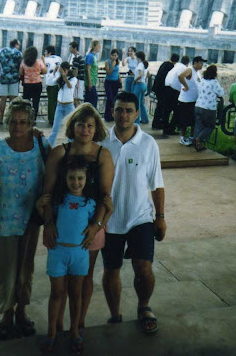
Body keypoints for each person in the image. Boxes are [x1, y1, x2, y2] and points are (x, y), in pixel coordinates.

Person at [41, 103, 114, 334]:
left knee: (84, 276)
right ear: (72, 127)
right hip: (63, 226)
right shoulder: (59, 152)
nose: (85, 130)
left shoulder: (103, 155)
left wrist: (97, 226)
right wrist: (48, 223)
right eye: (80, 125)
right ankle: (58, 326)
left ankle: (78, 323)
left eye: (90, 126)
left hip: (92, 225)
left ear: (96, 129)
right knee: (60, 281)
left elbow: (105, 196)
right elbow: (47, 194)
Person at [101, 91, 166, 335]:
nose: (124, 115)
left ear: (137, 113)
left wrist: (160, 217)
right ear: (112, 111)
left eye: (129, 110)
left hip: (141, 217)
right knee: (111, 270)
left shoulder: (148, 143)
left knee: (144, 268)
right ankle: (115, 313)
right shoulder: (102, 142)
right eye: (119, 110)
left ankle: (144, 306)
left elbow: (157, 183)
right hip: (110, 220)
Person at [0, 98, 50, 341]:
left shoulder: (41, 145)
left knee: (25, 269)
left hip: (31, 220)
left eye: (23, 122)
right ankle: (7, 314)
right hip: (4, 220)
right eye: (13, 121)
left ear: (31, 123)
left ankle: (22, 310)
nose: (17, 126)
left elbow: (53, 177)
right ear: (7, 122)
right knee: (7, 270)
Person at [38, 156, 113, 354]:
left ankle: (74, 331)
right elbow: (48, 219)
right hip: (58, 252)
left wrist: (109, 212)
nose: (76, 182)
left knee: (76, 294)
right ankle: (52, 333)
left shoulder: (89, 203)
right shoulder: (59, 201)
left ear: (87, 179)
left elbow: (96, 226)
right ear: (65, 178)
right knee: (56, 294)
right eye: (72, 178)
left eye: (80, 178)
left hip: (79, 254)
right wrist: (40, 206)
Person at [193, 65, 224, 151]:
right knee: (210, 126)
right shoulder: (214, 82)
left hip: (198, 105)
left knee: (199, 125)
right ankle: (199, 139)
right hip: (209, 108)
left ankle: (198, 143)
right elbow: (221, 93)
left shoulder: (202, 80)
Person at [0, 39, 22, 124]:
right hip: (14, 79)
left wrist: (1, 70)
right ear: (16, 44)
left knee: (3, 99)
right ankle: (11, 118)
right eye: (18, 45)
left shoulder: (1, 51)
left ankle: (1, 118)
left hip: (3, 78)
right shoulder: (18, 53)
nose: (19, 46)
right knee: (12, 100)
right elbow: (21, 66)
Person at [48, 62, 77, 146]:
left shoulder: (73, 79)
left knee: (71, 128)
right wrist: (54, 72)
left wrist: (64, 76)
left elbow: (70, 86)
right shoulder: (60, 78)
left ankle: (70, 146)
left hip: (69, 105)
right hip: (60, 105)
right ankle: (50, 146)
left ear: (67, 70)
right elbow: (51, 82)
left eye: (64, 70)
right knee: (55, 128)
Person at [163, 56, 192, 135]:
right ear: (188, 63)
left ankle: (165, 128)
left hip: (167, 87)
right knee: (177, 110)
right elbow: (182, 78)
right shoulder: (184, 69)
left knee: (167, 110)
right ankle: (171, 128)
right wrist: (186, 86)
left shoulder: (176, 66)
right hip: (174, 90)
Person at [176, 56, 202, 146]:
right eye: (201, 63)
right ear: (195, 63)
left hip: (194, 101)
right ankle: (182, 138)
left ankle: (191, 137)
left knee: (193, 120)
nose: (202, 65)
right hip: (186, 100)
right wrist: (186, 86)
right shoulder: (190, 70)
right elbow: (180, 76)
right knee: (184, 121)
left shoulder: (198, 73)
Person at [151, 53, 179, 130]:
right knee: (161, 106)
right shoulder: (171, 67)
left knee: (160, 106)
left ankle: (156, 122)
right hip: (162, 89)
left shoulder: (164, 64)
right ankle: (157, 123)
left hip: (157, 87)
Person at [19, 46, 47, 120]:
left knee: (26, 103)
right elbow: (45, 71)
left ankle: (26, 118)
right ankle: (33, 119)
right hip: (37, 84)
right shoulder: (39, 62)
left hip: (27, 85)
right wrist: (44, 61)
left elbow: (20, 72)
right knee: (36, 103)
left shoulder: (23, 62)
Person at [42, 45, 62, 125]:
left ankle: (51, 119)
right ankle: (57, 118)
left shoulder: (46, 59)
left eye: (46, 52)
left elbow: (43, 70)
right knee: (57, 101)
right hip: (59, 82)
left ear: (49, 52)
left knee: (51, 101)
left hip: (50, 82)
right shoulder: (59, 58)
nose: (45, 53)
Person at [132, 51, 150, 124]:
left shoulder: (140, 65)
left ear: (138, 57)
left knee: (136, 103)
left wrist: (135, 80)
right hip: (144, 84)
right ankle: (145, 118)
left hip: (139, 84)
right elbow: (148, 74)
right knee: (142, 103)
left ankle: (136, 121)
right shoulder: (144, 65)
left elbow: (140, 74)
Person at [103, 49, 122, 121]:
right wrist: (112, 66)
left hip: (115, 82)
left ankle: (113, 116)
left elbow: (118, 71)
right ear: (110, 55)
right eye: (113, 55)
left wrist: (119, 78)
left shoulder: (118, 62)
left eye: (116, 55)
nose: (114, 57)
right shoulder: (107, 62)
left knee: (114, 99)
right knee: (109, 98)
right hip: (108, 82)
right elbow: (108, 73)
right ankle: (107, 116)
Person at [67, 41, 86, 107]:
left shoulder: (76, 58)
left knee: (75, 100)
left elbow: (75, 72)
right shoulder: (80, 56)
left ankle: (78, 115)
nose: (69, 49)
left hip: (78, 80)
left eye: (71, 48)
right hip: (81, 80)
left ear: (75, 48)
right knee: (76, 100)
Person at [84, 40, 101, 109]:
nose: (100, 47)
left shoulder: (93, 56)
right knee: (93, 100)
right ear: (94, 46)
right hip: (90, 82)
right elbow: (87, 69)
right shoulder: (90, 56)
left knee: (90, 100)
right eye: (98, 45)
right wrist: (90, 82)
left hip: (93, 81)